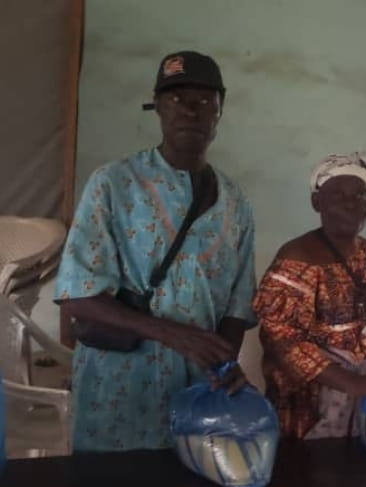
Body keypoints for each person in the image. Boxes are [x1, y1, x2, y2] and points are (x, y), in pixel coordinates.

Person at [55, 51, 256, 452]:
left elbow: (238, 306)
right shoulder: (113, 184)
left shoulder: (235, 202)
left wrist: (225, 364)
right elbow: (78, 294)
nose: (190, 111)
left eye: (204, 101)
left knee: (188, 485)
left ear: (220, 109)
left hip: (195, 393)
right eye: (176, 99)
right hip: (118, 388)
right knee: (110, 486)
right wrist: (172, 334)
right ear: (158, 106)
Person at [253, 152, 366, 439]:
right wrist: (351, 382)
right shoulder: (298, 258)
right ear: (317, 202)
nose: (350, 203)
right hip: (310, 408)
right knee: (315, 466)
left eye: (360, 195)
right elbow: (281, 338)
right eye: (338, 194)